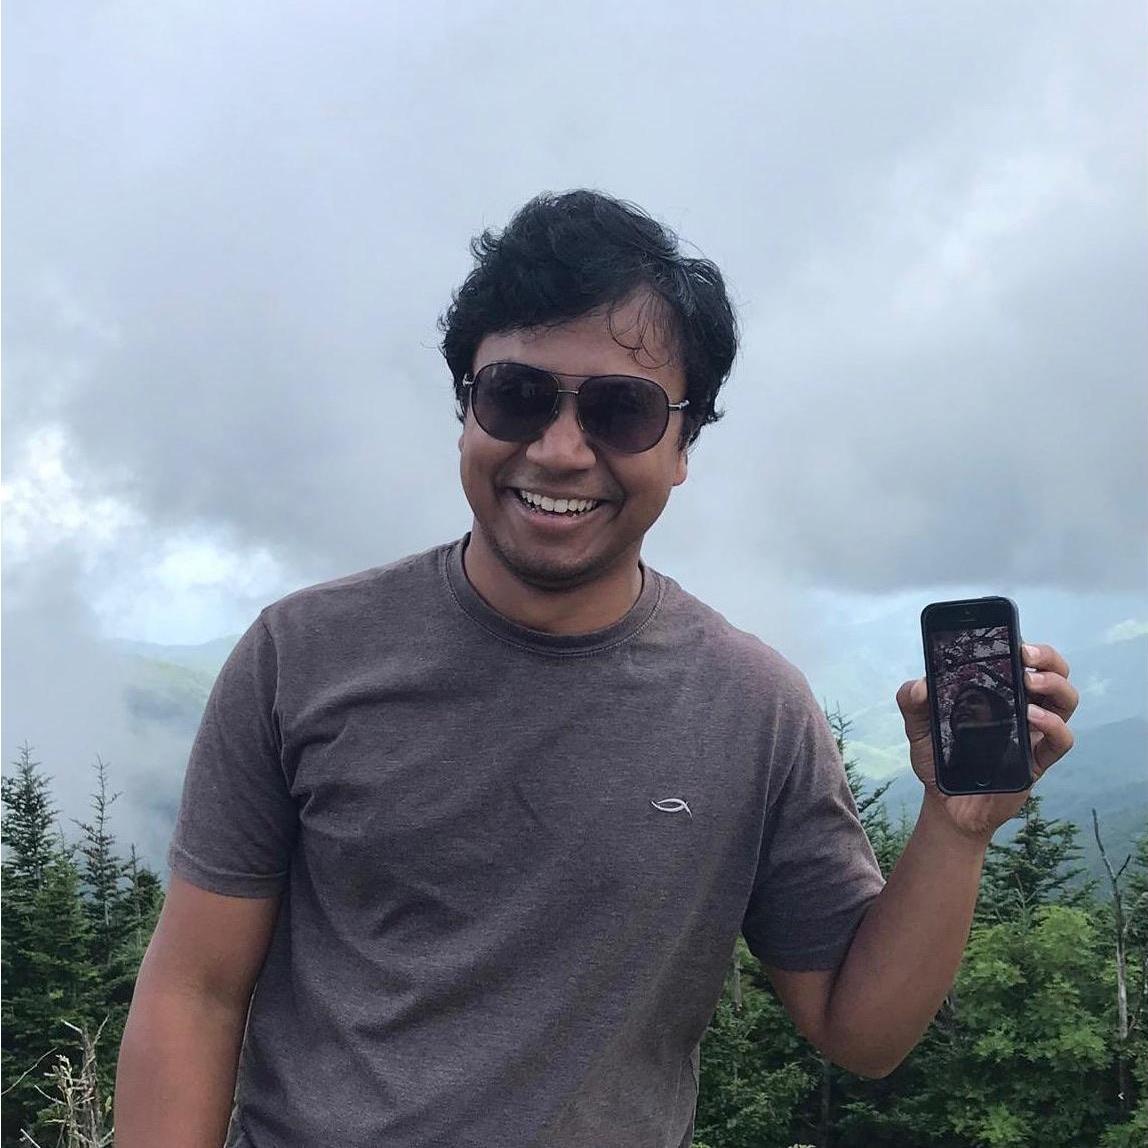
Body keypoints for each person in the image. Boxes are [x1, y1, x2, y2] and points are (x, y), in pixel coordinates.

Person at [114, 190, 1078, 1148]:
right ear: (465, 411)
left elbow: (860, 1031)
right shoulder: (301, 656)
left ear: (684, 445)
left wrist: (956, 829)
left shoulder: (754, 709)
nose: (560, 450)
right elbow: (196, 988)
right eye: (516, 396)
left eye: (622, 410)